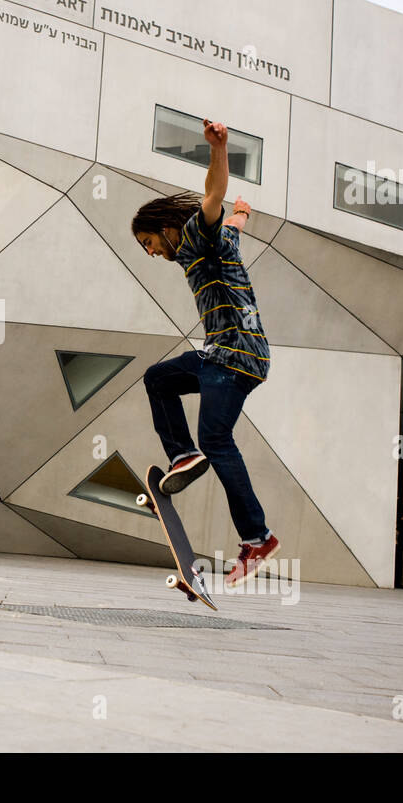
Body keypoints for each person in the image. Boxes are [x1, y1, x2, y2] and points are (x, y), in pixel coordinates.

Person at [131, 118, 276, 589]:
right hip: (223, 354)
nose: (152, 254)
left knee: (216, 440)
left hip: (234, 355)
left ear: (166, 228)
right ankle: (183, 457)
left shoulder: (197, 233)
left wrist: (219, 149)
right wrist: (244, 212)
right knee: (158, 378)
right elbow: (231, 216)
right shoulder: (226, 234)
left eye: (149, 243)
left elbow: (212, 197)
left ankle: (257, 538)